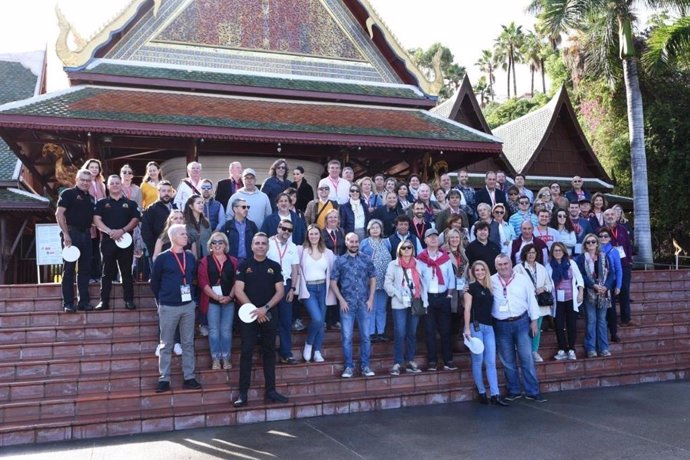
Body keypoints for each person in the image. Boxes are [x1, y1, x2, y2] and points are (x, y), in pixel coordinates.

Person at [233, 233, 288, 407]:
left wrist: (264, 309)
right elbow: (238, 291)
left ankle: (271, 390)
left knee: (269, 352)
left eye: (264, 243)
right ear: (251, 246)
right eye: (257, 243)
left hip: (269, 314)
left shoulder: (274, 266)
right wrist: (255, 311)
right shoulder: (243, 265)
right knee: (247, 352)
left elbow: (280, 291)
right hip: (249, 316)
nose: (260, 246)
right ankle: (243, 393)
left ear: (267, 246)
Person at [151, 224, 201, 393]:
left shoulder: (190, 257)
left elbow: (194, 278)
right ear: (173, 237)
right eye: (182, 234)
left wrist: (193, 300)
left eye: (186, 234)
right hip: (168, 306)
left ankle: (189, 377)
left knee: (188, 343)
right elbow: (154, 282)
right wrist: (160, 302)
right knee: (166, 344)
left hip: (188, 306)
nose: (186, 236)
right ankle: (164, 379)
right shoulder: (163, 258)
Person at [491, 254, 546, 402]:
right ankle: (513, 390)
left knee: (526, 358)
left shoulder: (522, 279)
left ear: (510, 264)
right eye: (500, 265)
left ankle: (532, 391)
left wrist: (534, 321)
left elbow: (531, 300)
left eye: (505, 264)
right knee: (507, 360)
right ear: (496, 266)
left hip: (521, 322)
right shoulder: (491, 281)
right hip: (501, 325)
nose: (503, 267)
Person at [330, 232, 377, 378]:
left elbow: (373, 278)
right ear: (346, 242)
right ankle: (349, 367)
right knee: (347, 337)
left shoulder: (366, 259)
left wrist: (371, 299)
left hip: (364, 303)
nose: (354, 244)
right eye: (351, 241)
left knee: (366, 336)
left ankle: (365, 366)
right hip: (347, 305)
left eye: (356, 241)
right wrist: (341, 300)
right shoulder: (339, 260)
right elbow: (333, 282)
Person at [463, 261, 509, 406]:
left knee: (490, 361)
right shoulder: (470, 288)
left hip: (489, 327)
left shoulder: (490, 287)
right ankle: (482, 392)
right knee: (478, 360)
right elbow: (467, 309)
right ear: (473, 272)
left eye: (482, 269)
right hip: (476, 327)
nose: (480, 272)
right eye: (477, 270)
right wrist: (467, 328)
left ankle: (495, 394)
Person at [93, 175, 141, 311]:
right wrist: (110, 232)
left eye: (117, 183)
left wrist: (122, 230)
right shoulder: (101, 203)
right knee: (106, 272)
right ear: (107, 186)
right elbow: (97, 220)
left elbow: (136, 219)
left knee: (126, 272)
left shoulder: (130, 203)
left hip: (126, 241)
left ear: (121, 185)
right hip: (108, 242)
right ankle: (103, 301)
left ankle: (129, 300)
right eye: (112, 183)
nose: (114, 185)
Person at [384, 240, 426, 376]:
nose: (407, 250)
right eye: (404, 248)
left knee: (412, 332)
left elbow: (423, 283)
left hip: (415, 301)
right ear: (399, 250)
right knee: (400, 332)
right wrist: (398, 294)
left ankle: (410, 360)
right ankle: (398, 361)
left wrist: (424, 300)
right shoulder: (393, 264)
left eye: (409, 247)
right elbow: (387, 283)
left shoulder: (418, 264)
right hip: (399, 303)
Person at [56, 169, 95, 312]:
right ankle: (68, 303)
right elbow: (59, 214)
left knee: (85, 270)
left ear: (91, 182)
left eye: (88, 180)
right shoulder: (68, 193)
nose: (85, 182)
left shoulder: (91, 198)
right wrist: (66, 234)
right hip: (72, 233)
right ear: (77, 180)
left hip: (86, 235)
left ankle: (83, 302)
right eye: (82, 180)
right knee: (69, 269)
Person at [417, 228, 456, 371]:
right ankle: (432, 361)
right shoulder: (420, 259)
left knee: (446, 330)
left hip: (443, 297)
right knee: (429, 330)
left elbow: (451, 277)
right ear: (425, 240)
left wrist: (449, 295)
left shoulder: (444, 257)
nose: (433, 239)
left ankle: (448, 360)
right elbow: (419, 279)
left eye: (435, 236)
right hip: (428, 298)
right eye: (430, 237)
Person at [197, 232, 237, 370]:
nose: (218, 245)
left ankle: (226, 358)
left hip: (229, 301)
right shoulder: (204, 261)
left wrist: (230, 297)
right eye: (214, 242)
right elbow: (202, 282)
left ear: (225, 245)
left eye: (221, 242)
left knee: (226, 331)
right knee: (214, 330)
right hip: (212, 301)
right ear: (210, 245)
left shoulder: (233, 261)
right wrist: (216, 296)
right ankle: (215, 359)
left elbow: (237, 282)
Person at [297, 225, 336, 362]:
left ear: (320, 235)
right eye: (311, 234)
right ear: (307, 235)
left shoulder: (328, 252)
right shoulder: (300, 250)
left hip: (323, 288)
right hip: (309, 289)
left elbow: (334, 271)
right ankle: (309, 343)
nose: (313, 236)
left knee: (321, 321)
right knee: (317, 319)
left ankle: (317, 351)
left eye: (316, 233)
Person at [576, 233, 616, 358]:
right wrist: (593, 285)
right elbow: (580, 275)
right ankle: (591, 349)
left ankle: (604, 348)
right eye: (588, 242)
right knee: (591, 321)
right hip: (590, 293)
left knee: (602, 321)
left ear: (597, 243)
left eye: (593, 242)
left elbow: (611, 274)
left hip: (604, 293)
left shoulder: (604, 257)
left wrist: (606, 287)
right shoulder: (581, 258)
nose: (591, 244)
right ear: (585, 245)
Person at [266, 220, 300, 365]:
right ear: (278, 227)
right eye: (284, 228)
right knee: (269, 321)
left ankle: (286, 353)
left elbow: (295, 270)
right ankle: (268, 354)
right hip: (269, 286)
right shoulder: (267, 242)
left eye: (289, 230)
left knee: (286, 322)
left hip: (286, 286)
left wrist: (293, 289)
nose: (286, 232)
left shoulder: (292, 247)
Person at [514, 244, 553, 363]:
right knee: (524, 329)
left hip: (539, 304)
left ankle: (534, 351)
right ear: (525, 254)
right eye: (529, 252)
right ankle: (523, 352)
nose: (531, 255)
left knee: (537, 328)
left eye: (534, 252)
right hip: (524, 304)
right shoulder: (518, 268)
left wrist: (543, 288)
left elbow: (550, 285)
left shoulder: (541, 268)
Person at [548, 242, 584, 360]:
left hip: (571, 298)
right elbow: (547, 283)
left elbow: (580, 279)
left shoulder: (571, 263)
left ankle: (572, 349)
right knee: (558, 325)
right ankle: (562, 349)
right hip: (557, 300)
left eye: (559, 250)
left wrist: (580, 293)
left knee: (571, 324)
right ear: (552, 253)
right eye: (555, 251)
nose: (557, 252)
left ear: (564, 251)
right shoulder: (549, 266)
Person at [360, 219, 392, 343]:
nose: (375, 230)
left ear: (381, 230)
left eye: (377, 227)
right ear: (369, 230)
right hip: (370, 281)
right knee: (370, 307)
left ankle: (381, 332)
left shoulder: (386, 242)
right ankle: (371, 332)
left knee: (381, 308)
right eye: (372, 228)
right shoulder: (364, 243)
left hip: (384, 281)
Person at [604, 207, 634, 328]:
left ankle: (626, 318)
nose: (610, 216)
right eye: (607, 215)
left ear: (616, 216)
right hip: (607, 265)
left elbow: (627, 245)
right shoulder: (601, 231)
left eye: (612, 214)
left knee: (624, 290)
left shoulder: (622, 229)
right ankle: (611, 320)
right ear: (604, 217)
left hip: (624, 264)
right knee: (609, 292)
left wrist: (630, 260)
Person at [597, 227, 623, 343]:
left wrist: (618, 285)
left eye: (606, 236)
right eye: (601, 236)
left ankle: (613, 333)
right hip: (597, 284)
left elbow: (618, 269)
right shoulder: (594, 249)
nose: (603, 238)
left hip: (609, 284)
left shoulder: (614, 251)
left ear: (609, 238)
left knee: (611, 310)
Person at [82, 159, 106, 284]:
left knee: (98, 249)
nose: (94, 169)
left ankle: (97, 274)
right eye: (92, 167)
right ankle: (89, 275)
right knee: (88, 249)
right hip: (88, 220)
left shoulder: (101, 183)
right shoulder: (85, 183)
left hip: (99, 219)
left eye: (97, 167)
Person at [141, 180, 175, 256]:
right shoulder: (151, 209)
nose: (166, 193)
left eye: (169, 191)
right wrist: (153, 251)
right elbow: (146, 233)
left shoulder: (176, 208)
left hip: (175, 250)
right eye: (164, 191)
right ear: (158, 192)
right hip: (158, 251)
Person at [221, 198, 258, 263]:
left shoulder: (252, 225)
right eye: (243, 207)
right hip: (231, 263)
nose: (246, 209)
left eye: (248, 207)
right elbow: (222, 245)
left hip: (249, 262)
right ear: (235, 209)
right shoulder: (227, 226)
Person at [183, 195, 211, 259]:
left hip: (205, 258)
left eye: (202, 203)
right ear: (191, 206)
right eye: (198, 203)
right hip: (189, 258)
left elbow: (210, 240)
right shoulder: (185, 223)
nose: (201, 205)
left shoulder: (206, 222)